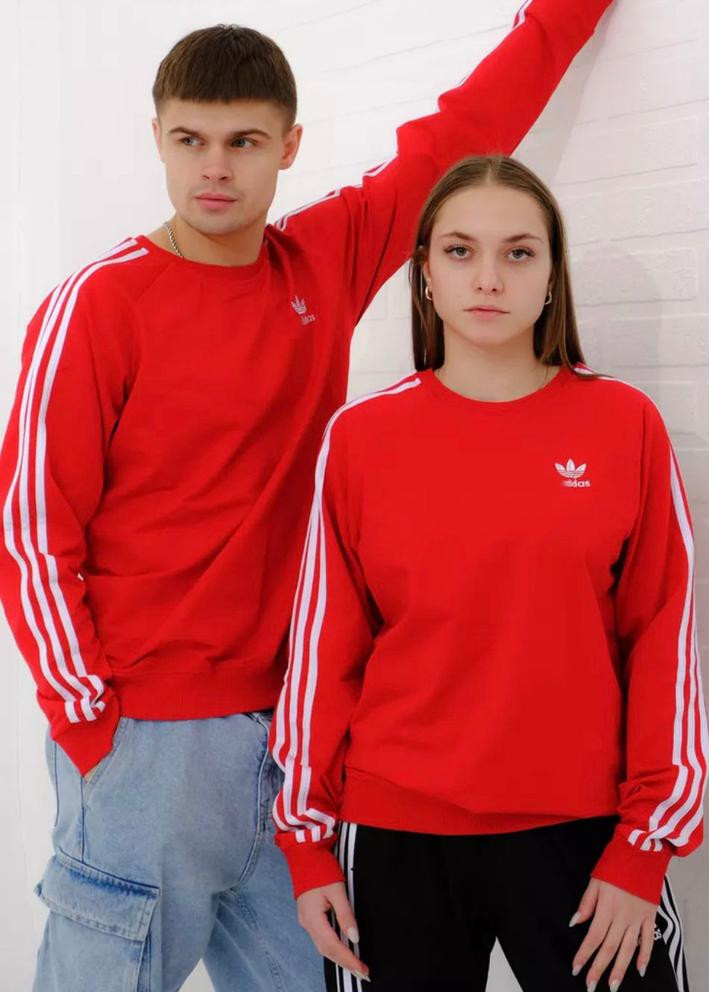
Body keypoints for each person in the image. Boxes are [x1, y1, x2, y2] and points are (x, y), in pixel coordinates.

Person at [0, 3, 615, 991]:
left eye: (243, 142)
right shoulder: (99, 304)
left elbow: (460, 134)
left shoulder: (318, 260)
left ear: (288, 146)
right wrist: (91, 726)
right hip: (148, 749)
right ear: (157, 138)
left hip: (304, 746)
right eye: (191, 140)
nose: (214, 169)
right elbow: (32, 528)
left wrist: (567, 13)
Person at [270, 154, 708, 992]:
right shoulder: (361, 438)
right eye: (460, 250)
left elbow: (663, 641)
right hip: (396, 834)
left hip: (586, 832)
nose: (488, 278)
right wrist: (306, 844)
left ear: (551, 275)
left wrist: (642, 844)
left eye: (518, 252)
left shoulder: (623, 424)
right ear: (425, 274)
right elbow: (323, 653)